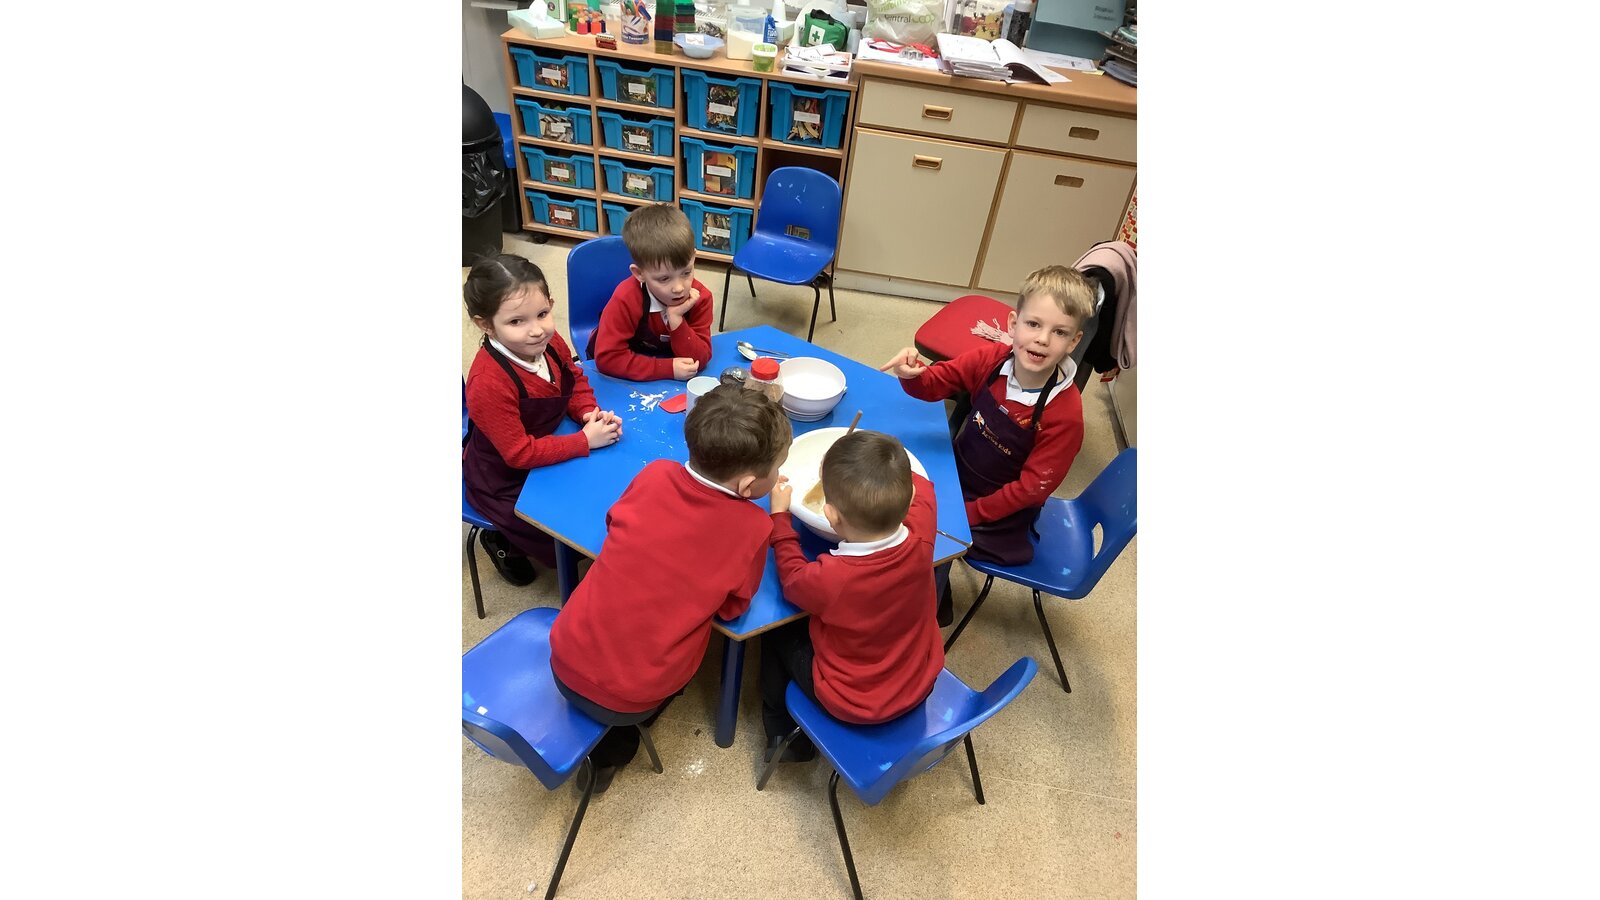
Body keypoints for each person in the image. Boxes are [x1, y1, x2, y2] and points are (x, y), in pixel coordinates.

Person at [548, 384, 791, 792]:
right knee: (670, 664)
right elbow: (732, 610)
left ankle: (606, 742)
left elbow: (613, 524)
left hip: (562, 653)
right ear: (748, 486)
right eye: (777, 467)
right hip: (634, 696)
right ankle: (616, 748)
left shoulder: (656, 472)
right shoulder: (754, 526)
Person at [882, 265, 1095, 620]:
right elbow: (937, 382)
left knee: (925, 531)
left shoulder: (1065, 414)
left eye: (1059, 332)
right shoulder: (994, 359)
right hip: (959, 473)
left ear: (1074, 342)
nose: (1042, 339)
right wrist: (912, 374)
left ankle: (927, 613)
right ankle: (928, 589)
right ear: (1013, 324)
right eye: (1033, 324)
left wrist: (967, 514)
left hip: (999, 512)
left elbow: (1029, 491)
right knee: (889, 490)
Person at [762, 430, 945, 763]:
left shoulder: (832, 578)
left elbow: (792, 579)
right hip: (920, 682)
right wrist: (864, 468)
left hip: (851, 702)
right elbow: (923, 486)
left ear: (830, 515)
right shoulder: (922, 528)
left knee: (777, 630)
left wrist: (780, 519)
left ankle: (783, 734)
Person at [463, 253, 623, 586]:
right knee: (559, 534)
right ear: (485, 325)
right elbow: (518, 453)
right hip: (503, 476)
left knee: (595, 501)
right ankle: (502, 542)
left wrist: (587, 412)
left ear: (550, 304)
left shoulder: (549, 342)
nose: (536, 330)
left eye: (542, 314)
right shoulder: (488, 382)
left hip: (549, 438)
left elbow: (572, 377)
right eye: (516, 322)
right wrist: (583, 441)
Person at [588, 203, 715, 381]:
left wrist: (676, 319)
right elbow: (607, 358)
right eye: (664, 279)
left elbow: (698, 360)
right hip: (627, 373)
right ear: (639, 273)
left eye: (686, 273)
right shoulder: (626, 298)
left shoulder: (700, 298)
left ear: (693, 257)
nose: (679, 288)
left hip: (657, 369)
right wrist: (666, 369)